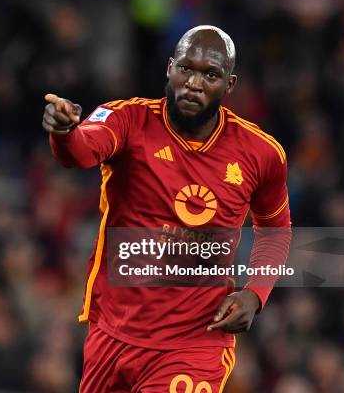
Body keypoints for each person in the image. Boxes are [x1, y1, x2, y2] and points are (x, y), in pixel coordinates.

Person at [42, 25, 291, 392]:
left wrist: (255, 294)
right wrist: (63, 132)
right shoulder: (126, 120)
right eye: (186, 68)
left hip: (195, 341)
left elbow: (275, 230)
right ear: (169, 68)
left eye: (210, 74)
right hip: (114, 332)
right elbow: (79, 151)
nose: (194, 82)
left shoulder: (261, 154)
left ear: (230, 85)